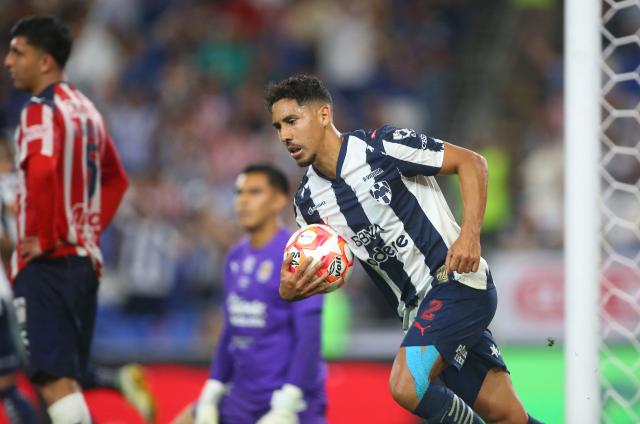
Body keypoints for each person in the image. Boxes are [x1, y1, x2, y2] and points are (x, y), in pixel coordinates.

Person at [266, 74, 543, 424]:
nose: (285, 135)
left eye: (292, 121)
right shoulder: (307, 204)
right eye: (278, 127)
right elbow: (330, 265)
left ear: (323, 115)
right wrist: (291, 289)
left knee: (405, 386)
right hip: (418, 311)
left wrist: (469, 235)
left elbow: (472, 163)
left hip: (456, 283)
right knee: (509, 417)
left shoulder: (381, 146)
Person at [3, 16, 129, 423]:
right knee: (65, 380)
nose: (8, 61)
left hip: (48, 263)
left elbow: (39, 171)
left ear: (44, 61)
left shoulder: (40, 109)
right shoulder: (86, 110)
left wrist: (43, 235)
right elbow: (117, 180)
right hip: (83, 262)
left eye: (18, 52)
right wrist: (88, 230)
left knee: (52, 379)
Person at [172, 164, 326, 424]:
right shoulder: (235, 256)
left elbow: (308, 339)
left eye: (254, 192)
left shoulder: (298, 256)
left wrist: (288, 402)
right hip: (241, 398)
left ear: (278, 200)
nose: (243, 200)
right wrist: (211, 391)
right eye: (238, 192)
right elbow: (231, 330)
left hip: (288, 403)